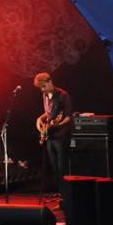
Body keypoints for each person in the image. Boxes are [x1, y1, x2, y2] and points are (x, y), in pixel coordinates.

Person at [34, 72, 73, 210]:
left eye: (44, 86)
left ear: (50, 81)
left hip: (62, 135)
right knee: (56, 169)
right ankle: (62, 199)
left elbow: (68, 117)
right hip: (50, 136)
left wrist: (57, 125)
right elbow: (49, 113)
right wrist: (40, 119)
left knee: (63, 169)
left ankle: (67, 200)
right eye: (40, 88)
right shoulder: (45, 96)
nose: (42, 90)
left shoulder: (63, 95)